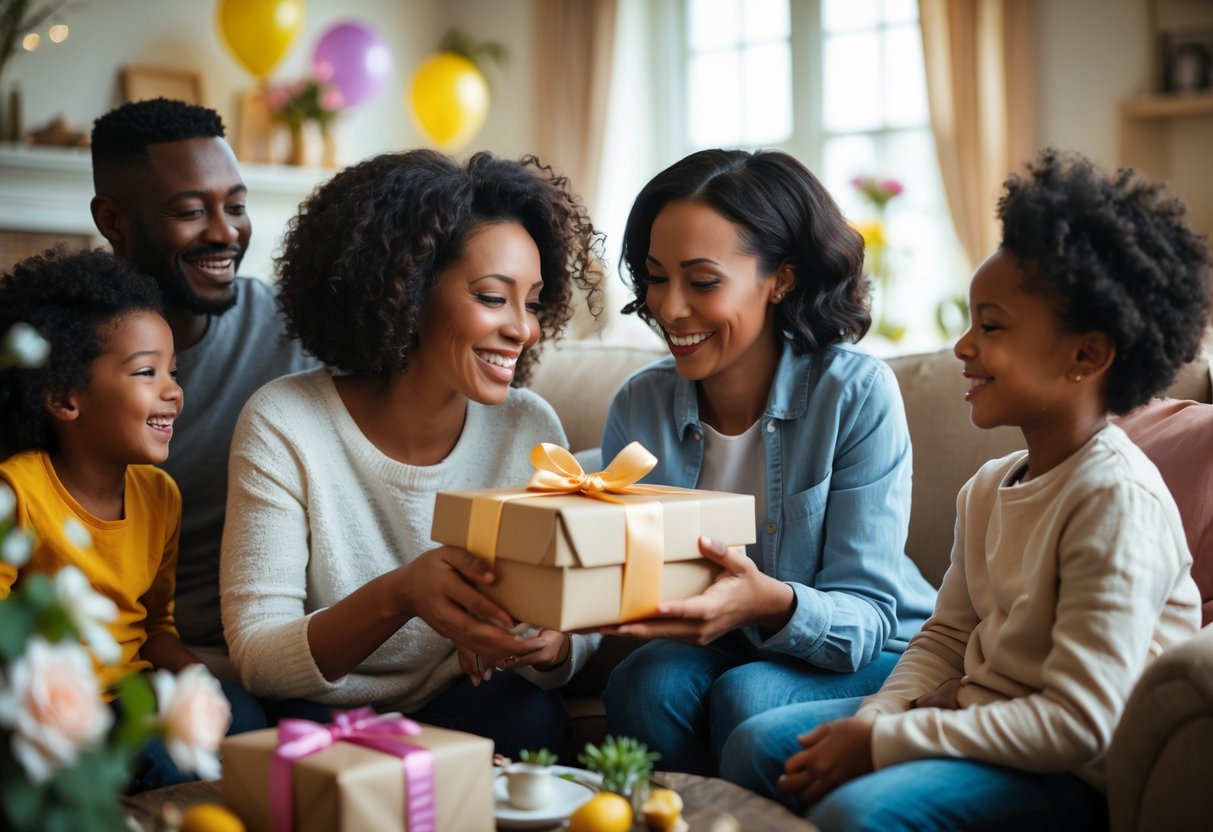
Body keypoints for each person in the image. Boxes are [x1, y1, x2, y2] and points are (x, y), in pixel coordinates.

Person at [721, 149, 1210, 831]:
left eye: (992, 326)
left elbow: (1080, 723)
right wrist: (878, 718)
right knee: (753, 745)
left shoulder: (1114, 500)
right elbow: (945, 635)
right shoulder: (986, 487)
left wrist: (887, 744)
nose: (962, 346)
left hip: (1071, 772)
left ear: (1086, 355)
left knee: (855, 814)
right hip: (973, 720)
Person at [220, 149, 602, 760]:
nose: (524, 329)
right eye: (492, 297)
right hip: (322, 706)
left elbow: (572, 613)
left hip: (460, 697)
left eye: (532, 302)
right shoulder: (285, 422)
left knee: (532, 718)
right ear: (409, 289)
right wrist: (402, 594)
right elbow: (261, 656)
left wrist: (558, 646)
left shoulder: (528, 426)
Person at [598, 148, 937, 776]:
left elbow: (864, 615)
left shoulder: (856, 395)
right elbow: (617, 578)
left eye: (702, 282)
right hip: (725, 645)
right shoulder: (639, 405)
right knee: (644, 681)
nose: (669, 309)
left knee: (749, 695)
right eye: (654, 276)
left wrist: (769, 602)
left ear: (782, 278)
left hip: (873, 648)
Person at [0, 248, 262, 791]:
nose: (173, 390)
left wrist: (198, 684)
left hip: (130, 693)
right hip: (47, 714)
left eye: (173, 370)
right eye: (147, 371)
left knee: (246, 720)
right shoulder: (17, 490)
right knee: (166, 761)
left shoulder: (158, 495)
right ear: (64, 398)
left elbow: (153, 628)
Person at [89, 99, 318, 680]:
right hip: (138, 661)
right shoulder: (65, 359)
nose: (224, 233)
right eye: (191, 211)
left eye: (236, 206)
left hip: (292, 648)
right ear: (114, 221)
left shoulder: (295, 327)